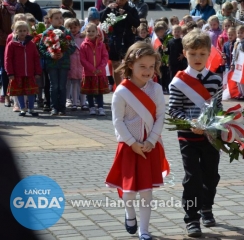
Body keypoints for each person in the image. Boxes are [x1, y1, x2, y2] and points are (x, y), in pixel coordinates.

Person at [106, 41, 169, 240]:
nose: (147, 71)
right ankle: (129, 213)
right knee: (129, 192)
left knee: (146, 191)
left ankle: (144, 230)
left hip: (149, 147)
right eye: (142, 66)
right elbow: (118, 121)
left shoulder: (157, 89)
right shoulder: (121, 91)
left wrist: (151, 140)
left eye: (151, 67)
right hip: (128, 147)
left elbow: (160, 116)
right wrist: (132, 143)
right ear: (130, 65)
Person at [168, 29, 223, 238]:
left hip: (210, 137)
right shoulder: (178, 82)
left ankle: (206, 208)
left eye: (201, 53)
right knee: (192, 177)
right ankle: (191, 218)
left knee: (211, 175)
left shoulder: (215, 80)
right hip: (188, 137)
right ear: (184, 53)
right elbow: (174, 110)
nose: (197, 58)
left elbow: (218, 108)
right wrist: (189, 123)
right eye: (192, 54)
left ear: (209, 53)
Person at [38, 9, 76, 116]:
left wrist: (64, 53)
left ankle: (62, 108)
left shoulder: (66, 32)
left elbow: (73, 46)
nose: (59, 20)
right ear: (50, 20)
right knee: (54, 86)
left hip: (64, 63)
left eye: (61, 18)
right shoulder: (46, 33)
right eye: (56, 18)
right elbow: (41, 48)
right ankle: (54, 107)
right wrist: (50, 54)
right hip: (52, 64)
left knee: (62, 86)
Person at [101, 0, 140, 87]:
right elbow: (102, 21)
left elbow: (137, 23)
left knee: (128, 64)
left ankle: (129, 86)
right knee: (115, 65)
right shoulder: (112, 8)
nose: (119, 1)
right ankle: (118, 88)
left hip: (127, 40)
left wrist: (126, 14)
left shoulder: (131, 9)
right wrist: (107, 9)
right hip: (114, 40)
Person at [5, 21, 41, 116]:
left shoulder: (31, 44)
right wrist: (10, 72)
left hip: (30, 73)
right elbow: (8, 59)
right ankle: (22, 108)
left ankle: (31, 108)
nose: (22, 33)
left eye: (24, 30)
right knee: (19, 91)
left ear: (27, 32)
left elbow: (36, 58)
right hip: (17, 73)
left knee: (31, 91)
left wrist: (37, 71)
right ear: (15, 31)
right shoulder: (12, 44)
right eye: (20, 30)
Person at [0, 0, 24, 107]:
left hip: (18, 42)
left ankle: (17, 95)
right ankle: (7, 95)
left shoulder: (19, 7)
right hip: (4, 43)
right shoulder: (2, 7)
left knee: (17, 68)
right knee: (5, 69)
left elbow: (23, 25)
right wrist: (8, 38)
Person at [80, 23, 110, 116]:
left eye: (93, 31)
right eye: (88, 31)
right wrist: (92, 69)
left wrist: (100, 68)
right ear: (85, 32)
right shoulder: (83, 45)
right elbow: (83, 59)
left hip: (100, 73)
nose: (91, 33)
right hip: (89, 73)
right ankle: (91, 107)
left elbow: (105, 57)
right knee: (90, 92)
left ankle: (100, 107)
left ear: (97, 32)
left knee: (99, 92)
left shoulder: (101, 44)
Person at [64, 18, 86, 111]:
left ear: (79, 27)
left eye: (75, 27)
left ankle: (83, 102)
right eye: (71, 28)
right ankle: (73, 102)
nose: (73, 29)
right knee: (73, 82)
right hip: (72, 63)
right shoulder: (67, 38)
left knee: (82, 83)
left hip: (81, 63)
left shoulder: (82, 37)